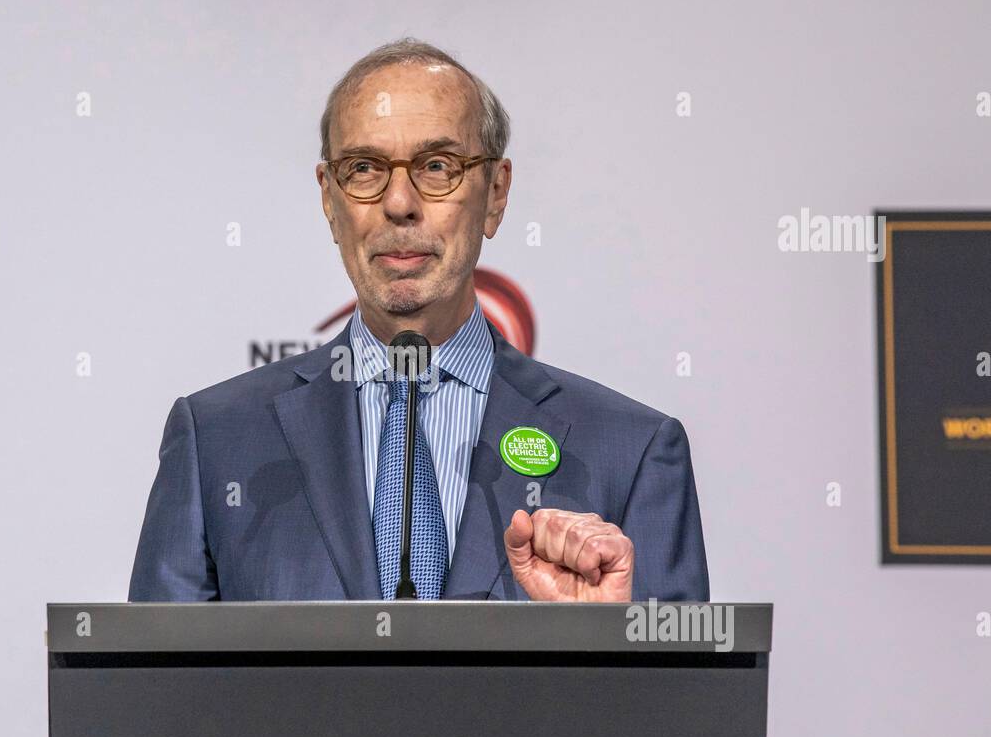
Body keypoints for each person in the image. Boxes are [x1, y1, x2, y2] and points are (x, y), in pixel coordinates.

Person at [129, 38, 709, 603]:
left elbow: (684, 699)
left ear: (497, 194)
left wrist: (610, 647)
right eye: (363, 168)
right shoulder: (217, 442)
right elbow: (153, 694)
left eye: (437, 166)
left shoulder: (632, 453)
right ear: (329, 200)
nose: (400, 203)